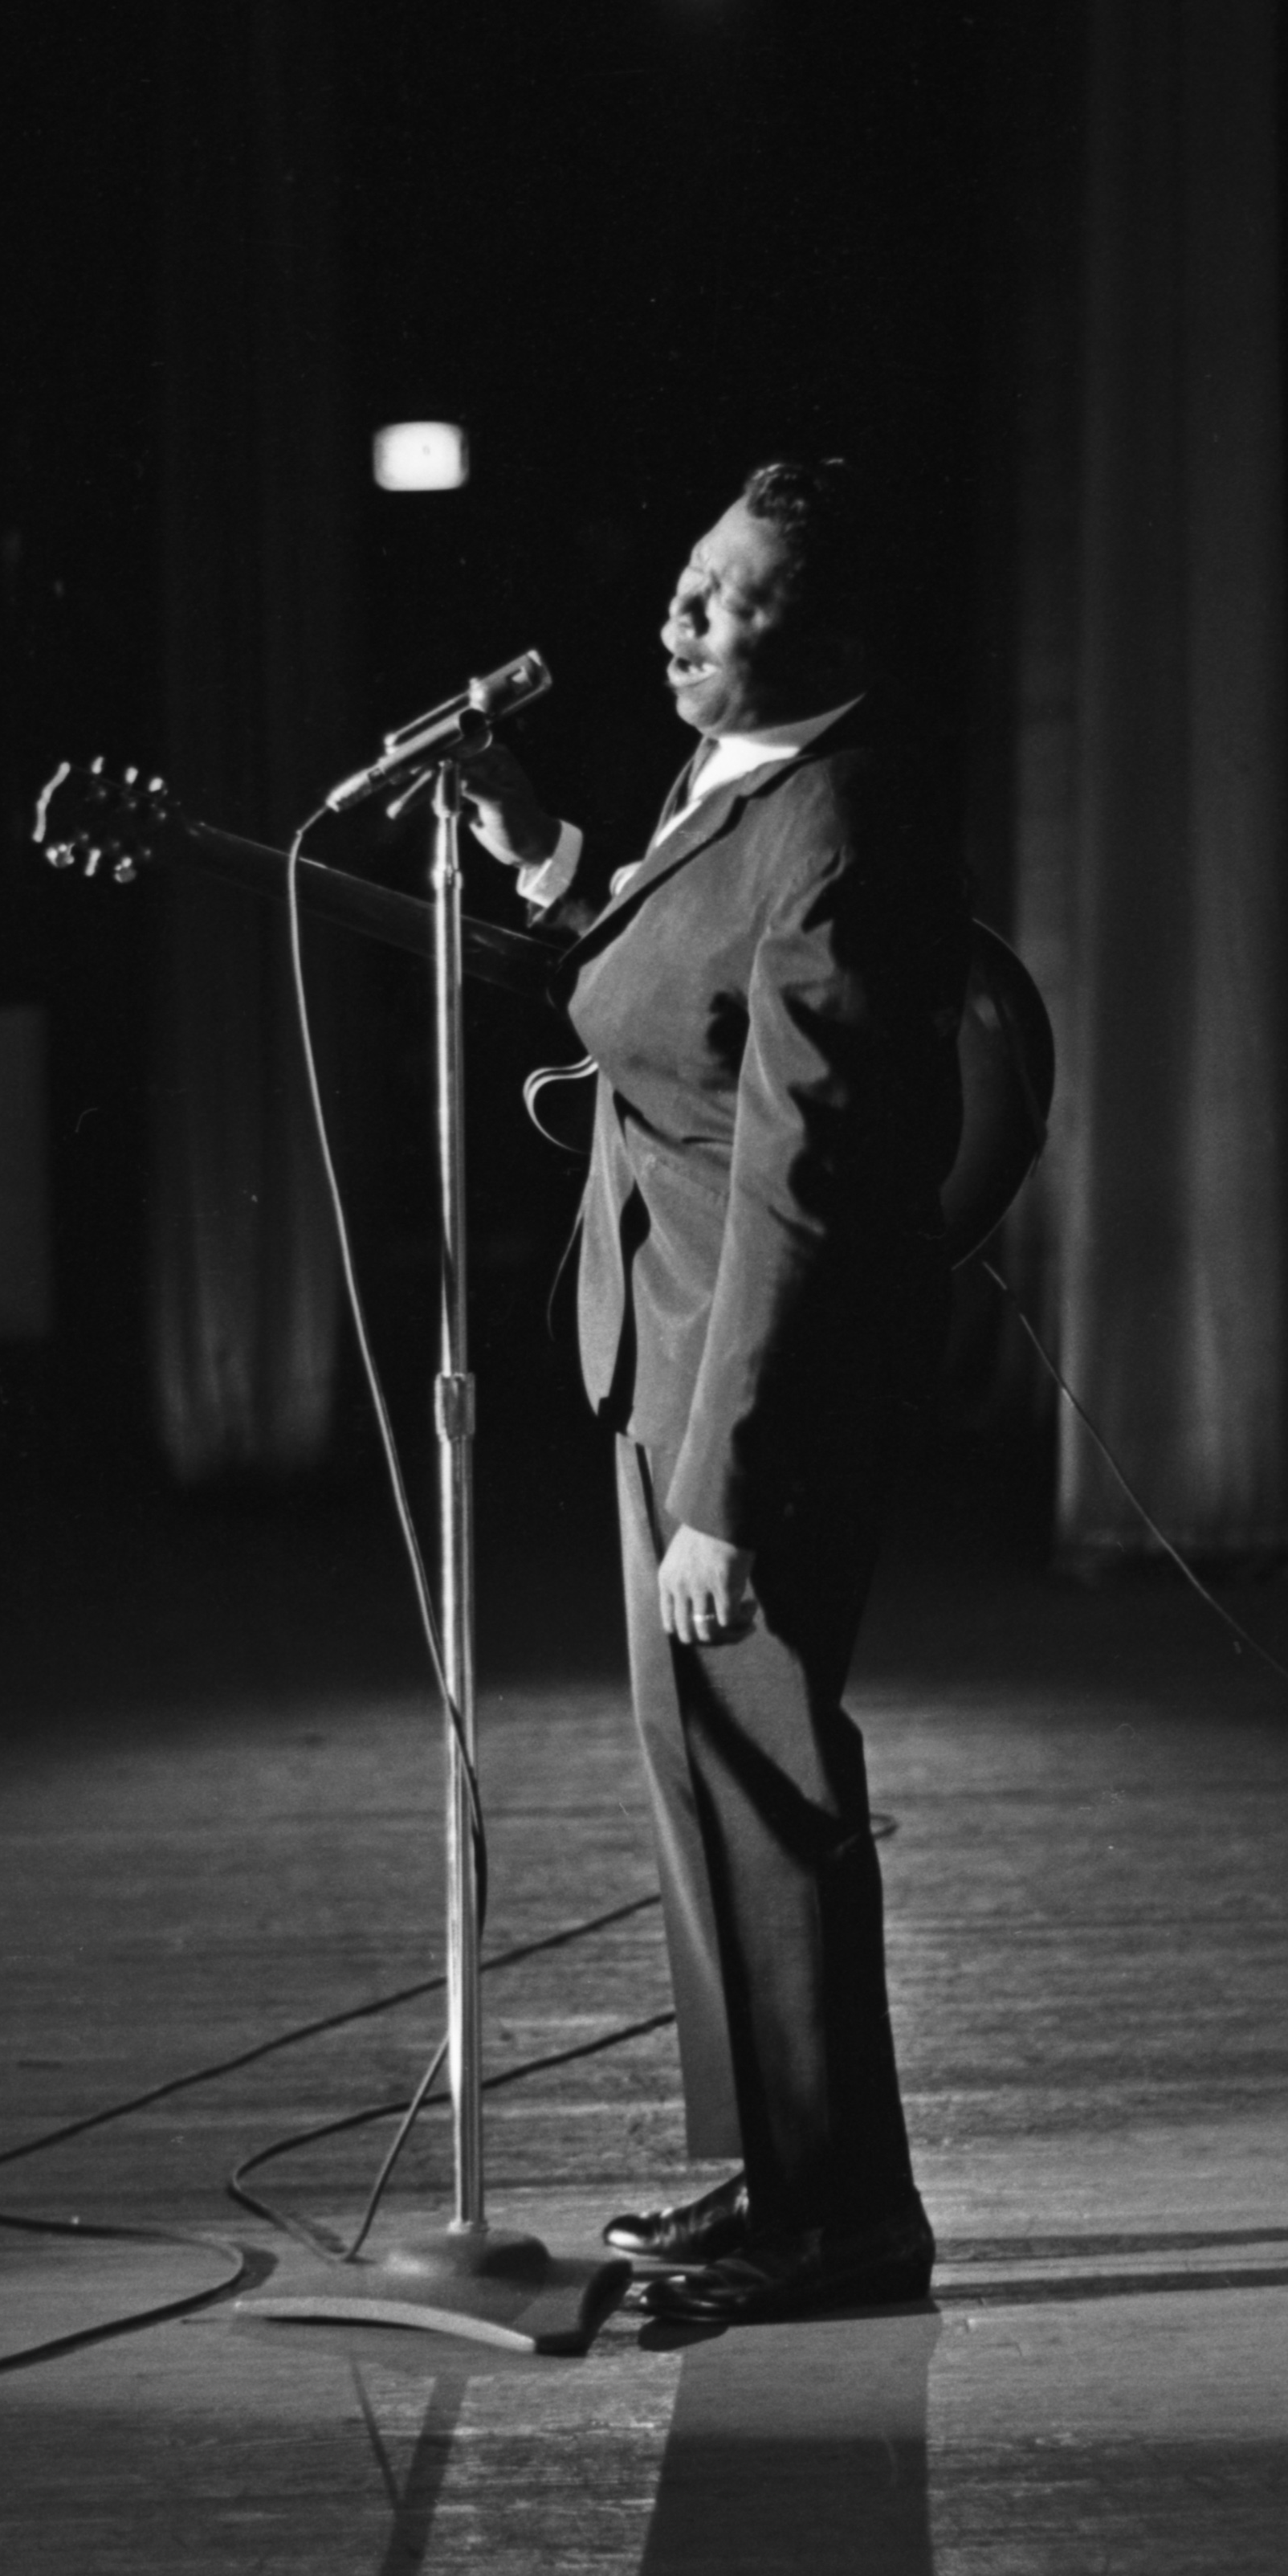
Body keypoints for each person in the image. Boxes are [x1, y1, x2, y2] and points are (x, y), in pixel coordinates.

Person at [461, 457, 969, 2322]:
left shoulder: (835, 825)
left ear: (820, 632)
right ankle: (780, 2172)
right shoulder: (738, 778)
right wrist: (538, 855)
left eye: (729, 597)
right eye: (685, 577)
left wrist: (720, 1492)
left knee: (771, 1779)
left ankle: (846, 2219)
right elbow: (656, 995)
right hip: (658, 1343)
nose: (680, 615)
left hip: (753, 1385)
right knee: (707, 1779)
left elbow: (801, 1182)